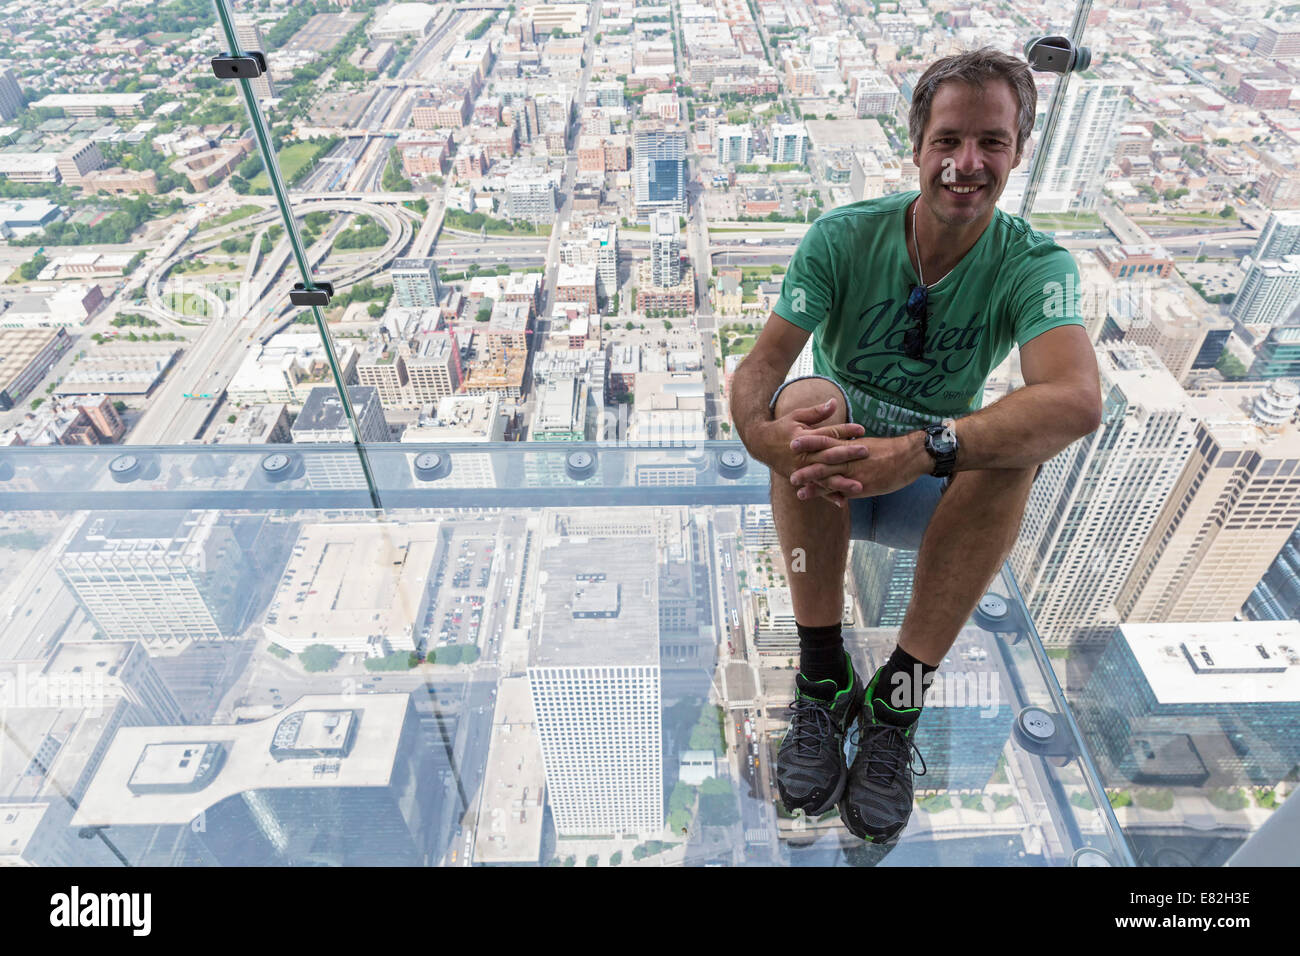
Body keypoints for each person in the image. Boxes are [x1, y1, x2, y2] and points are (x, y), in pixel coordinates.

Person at [729, 48, 1103, 844]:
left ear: (1017, 152)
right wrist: (771, 440)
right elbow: (762, 365)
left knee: (1011, 451)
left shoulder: (1033, 266)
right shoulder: (845, 236)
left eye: (991, 144)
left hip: (927, 489)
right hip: (826, 478)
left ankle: (897, 697)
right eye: (950, 140)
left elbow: (1075, 400)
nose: (967, 164)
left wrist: (921, 450)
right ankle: (823, 675)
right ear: (918, 145)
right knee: (806, 401)